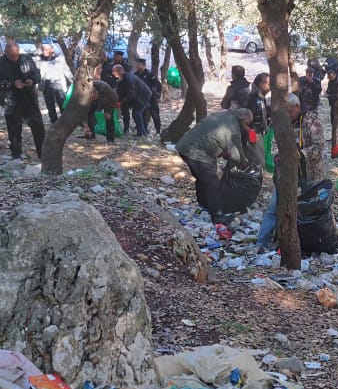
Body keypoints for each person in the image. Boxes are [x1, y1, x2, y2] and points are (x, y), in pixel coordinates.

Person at [257, 93, 325, 250]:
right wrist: (279, 157)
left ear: (297, 107)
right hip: (286, 172)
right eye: (285, 111)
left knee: (311, 208)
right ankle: (261, 241)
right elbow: (275, 145)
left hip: (309, 171)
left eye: (290, 111)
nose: (288, 114)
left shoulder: (310, 120)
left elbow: (319, 146)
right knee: (274, 207)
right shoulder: (281, 121)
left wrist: (300, 154)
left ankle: (313, 242)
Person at [178, 108, 257, 236]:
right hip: (197, 151)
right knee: (212, 183)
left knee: (202, 178)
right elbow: (237, 156)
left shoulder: (223, 115)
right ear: (242, 120)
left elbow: (219, 138)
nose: (247, 127)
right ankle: (218, 215)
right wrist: (245, 163)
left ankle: (204, 205)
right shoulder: (234, 128)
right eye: (247, 124)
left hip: (185, 145)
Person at [0, 41, 46, 161]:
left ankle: (43, 153)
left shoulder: (27, 59)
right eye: (11, 56)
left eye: (16, 55)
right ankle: (16, 154)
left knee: (38, 126)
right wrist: (11, 84)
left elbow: (37, 73)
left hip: (28, 97)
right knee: (14, 128)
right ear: (5, 53)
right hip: (10, 100)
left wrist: (32, 80)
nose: (15, 58)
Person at [37, 44, 74, 124]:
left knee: (62, 104)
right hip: (46, 85)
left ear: (52, 50)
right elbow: (38, 73)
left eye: (46, 50)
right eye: (43, 50)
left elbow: (66, 71)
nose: (44, 52)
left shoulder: (60, 59)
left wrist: (73, 80)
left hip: (58, 84)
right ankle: (54, 122)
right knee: (50, 105)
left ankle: (65, 122)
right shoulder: (40, 60)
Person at [113, 64, 152, 137]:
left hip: (143, 95)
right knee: (137, 114)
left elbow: (131, 93)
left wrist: (121, 102)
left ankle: (140, 134)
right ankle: (144, 133)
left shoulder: (128, 78)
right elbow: (120, 91)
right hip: (137, 96)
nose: (113, 73)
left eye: (114, 72)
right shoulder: (121, 79)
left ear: (120, 71)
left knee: (136, 114)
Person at [133, 58, 163, 134]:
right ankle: (145, 131)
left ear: (144, 65)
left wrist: (157, 96)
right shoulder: (135, 75)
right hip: (141, 99)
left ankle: (158, 130)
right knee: (142, 115)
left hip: (151, 98)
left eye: (138, 64)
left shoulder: (150, 74)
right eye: (136, 64)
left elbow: (158, 85)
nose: (137, 66)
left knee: (155, 114)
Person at [325, 66, 338, 138]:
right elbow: (328, 90)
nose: (330, 79)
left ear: (335, 75)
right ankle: (334, 135)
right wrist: (327, 93)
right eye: (329, 77)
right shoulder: (330, 82)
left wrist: (329, 95)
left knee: (337, 121)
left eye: (331, 77)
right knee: (332, 120)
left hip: (337, 104)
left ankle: (337, 136)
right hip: (332, 103)